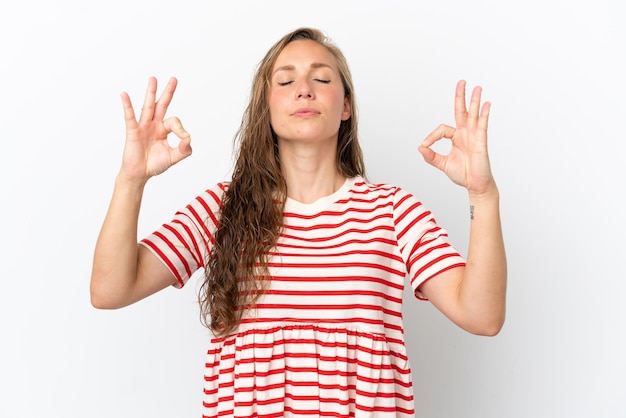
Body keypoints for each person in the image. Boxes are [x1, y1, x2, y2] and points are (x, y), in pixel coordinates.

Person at [90, 27, 506, 417]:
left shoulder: (393, 211)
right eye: (286, 82)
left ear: (345, 106)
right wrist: (131, 180)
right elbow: (110, 290)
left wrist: (482, 195)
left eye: (321, 79)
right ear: (266, 107)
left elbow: (482, 316)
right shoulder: (222, 207)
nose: (304, 89)